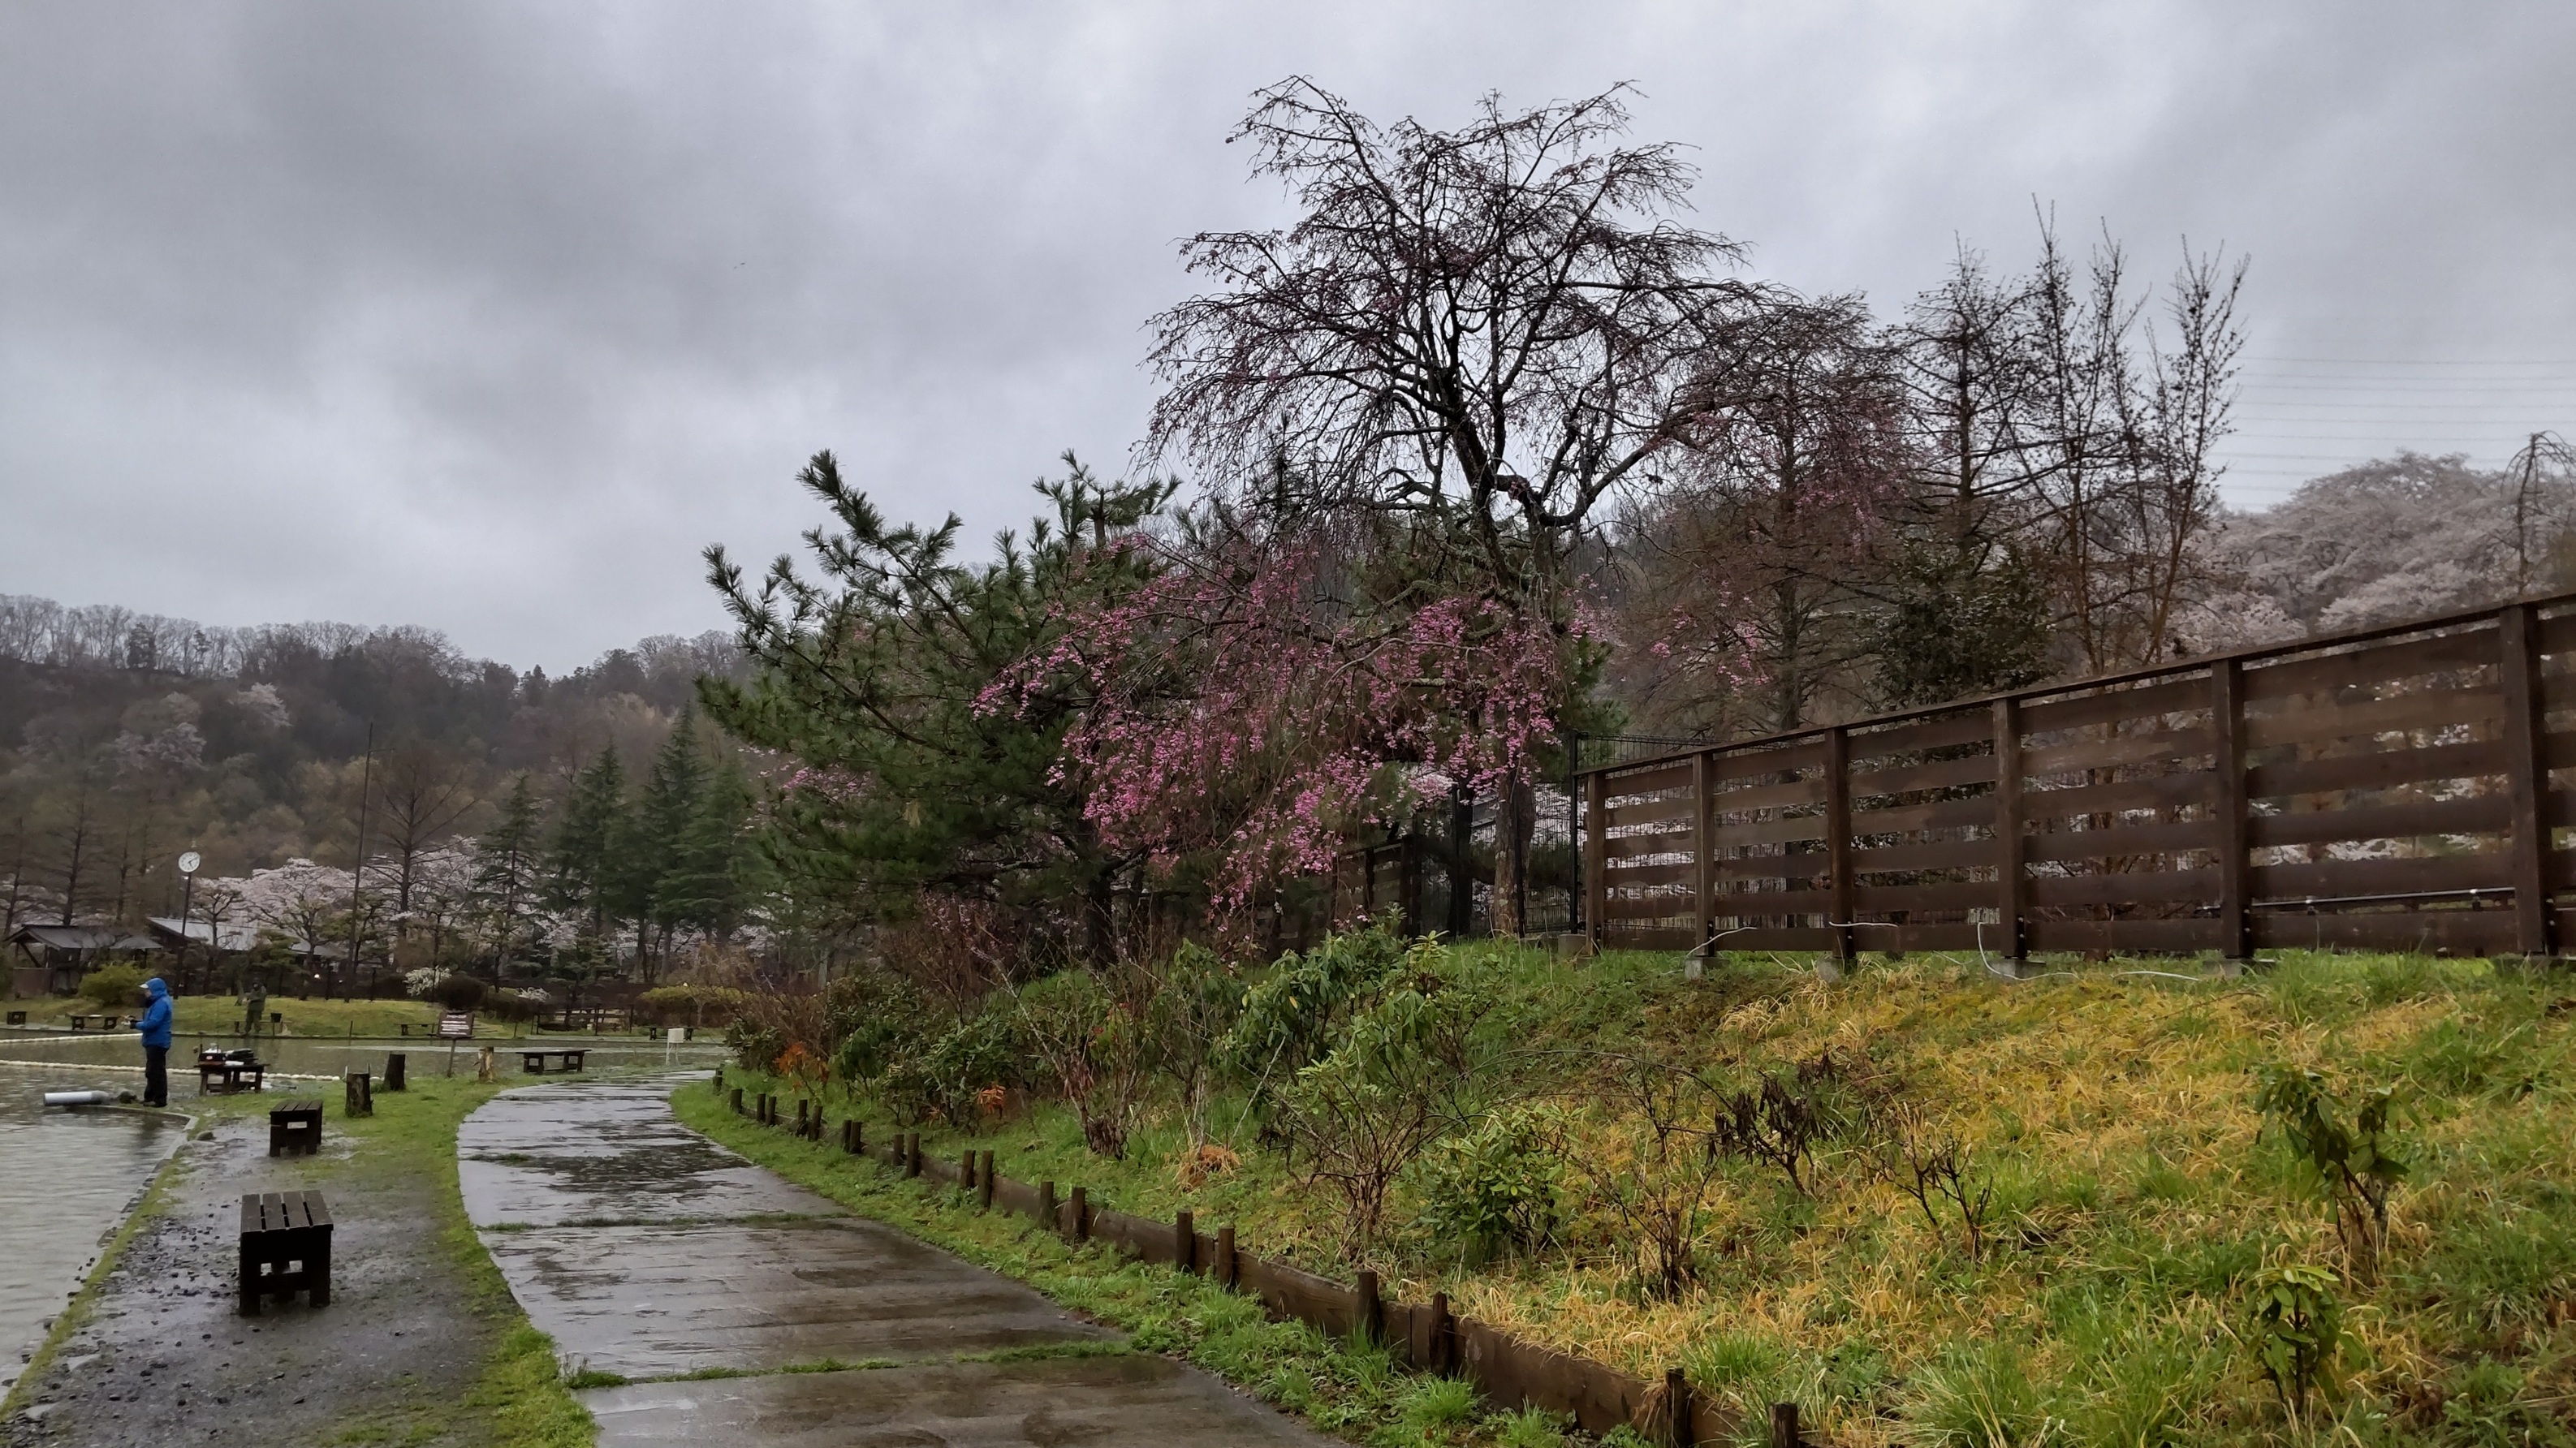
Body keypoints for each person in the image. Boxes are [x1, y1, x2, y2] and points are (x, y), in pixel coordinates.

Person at [135, 977, 174, 1108]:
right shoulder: (157, 1002)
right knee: (151, 1071)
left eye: (147, 990)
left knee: (156, 1071)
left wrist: (136, 1025)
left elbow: (153, 1024)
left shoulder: (161, 1003)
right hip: (154, 1040)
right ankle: (150, 1097)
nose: (146, 993)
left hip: (158, 1041)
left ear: (155, 990)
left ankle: (160, 1100)